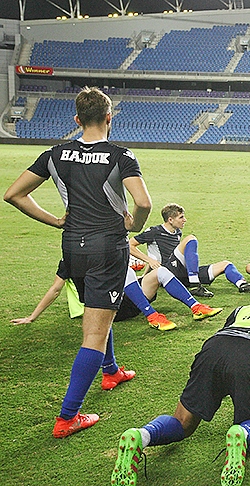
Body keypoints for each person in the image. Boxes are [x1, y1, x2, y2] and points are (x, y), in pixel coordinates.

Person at [4, 87, 151, 438]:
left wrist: (56, 220)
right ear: (109, 118)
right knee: (95, 332)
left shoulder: (55, 154)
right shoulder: (120, 154)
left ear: (77, 119)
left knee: (100, 308)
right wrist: (133, 224)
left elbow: (13, 194)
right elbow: (143, 202)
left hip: (74, 248)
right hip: (107, 248)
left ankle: (111, 371)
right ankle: (67, 416)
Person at [111, 302, 250, 486]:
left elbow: (231, 346)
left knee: (182, 422)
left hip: (216, 347)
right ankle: (242, 433)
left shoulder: (244, 310)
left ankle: (142, 435)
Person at [12, 261, 217, 332]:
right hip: (108, 308)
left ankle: (196, 307)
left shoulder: (97, 251)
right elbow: (55, 290)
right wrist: (32, 316)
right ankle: (152, 316)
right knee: (125, 270)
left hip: (127, 297)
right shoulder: (70, 261)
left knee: (160, 272)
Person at [130, 203, 250, 299]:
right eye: (181, 217)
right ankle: (195, 285)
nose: (185, 220)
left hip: (183, 274)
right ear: (170, 219)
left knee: (226, 264)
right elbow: (130, 245)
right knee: (191, 239)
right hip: (168, 271)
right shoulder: (154, 231)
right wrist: (150, 262)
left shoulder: (177, 232)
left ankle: (242, 285)